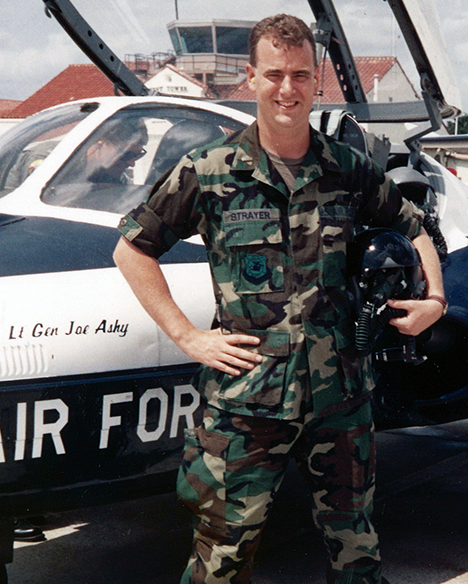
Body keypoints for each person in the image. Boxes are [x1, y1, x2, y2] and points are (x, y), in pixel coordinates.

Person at [113, 14, 445, 584]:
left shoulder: (349, 170)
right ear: (250, 78)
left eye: (298, 75)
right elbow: (131, 249)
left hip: (340, 398)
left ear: (316, 80)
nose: (286, 89)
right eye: (273, 75)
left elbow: (416, 227)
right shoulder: (210, 172)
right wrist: (187, 336)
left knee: (357, 555)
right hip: (246, 403)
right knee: (221, 559)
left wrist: (435, 300)